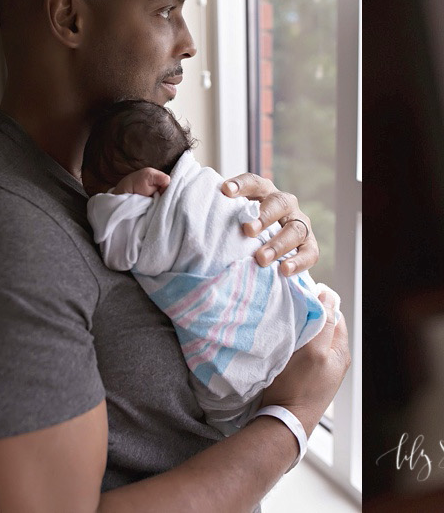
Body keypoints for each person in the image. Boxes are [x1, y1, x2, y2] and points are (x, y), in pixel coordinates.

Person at [0, 0, 350, 512]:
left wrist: (262, 258)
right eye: (166, 11)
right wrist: (292, 420)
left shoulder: (125, 191)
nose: (188, 42)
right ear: (68, 17)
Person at [82, 99, 330, 436]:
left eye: (104, 191)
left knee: (223, 411)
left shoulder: (148, 215)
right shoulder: (208, 185)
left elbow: (116, 250)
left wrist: (112, 202)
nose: (104, 201)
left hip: (256, 358)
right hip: (299, 313)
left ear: (149, 181)